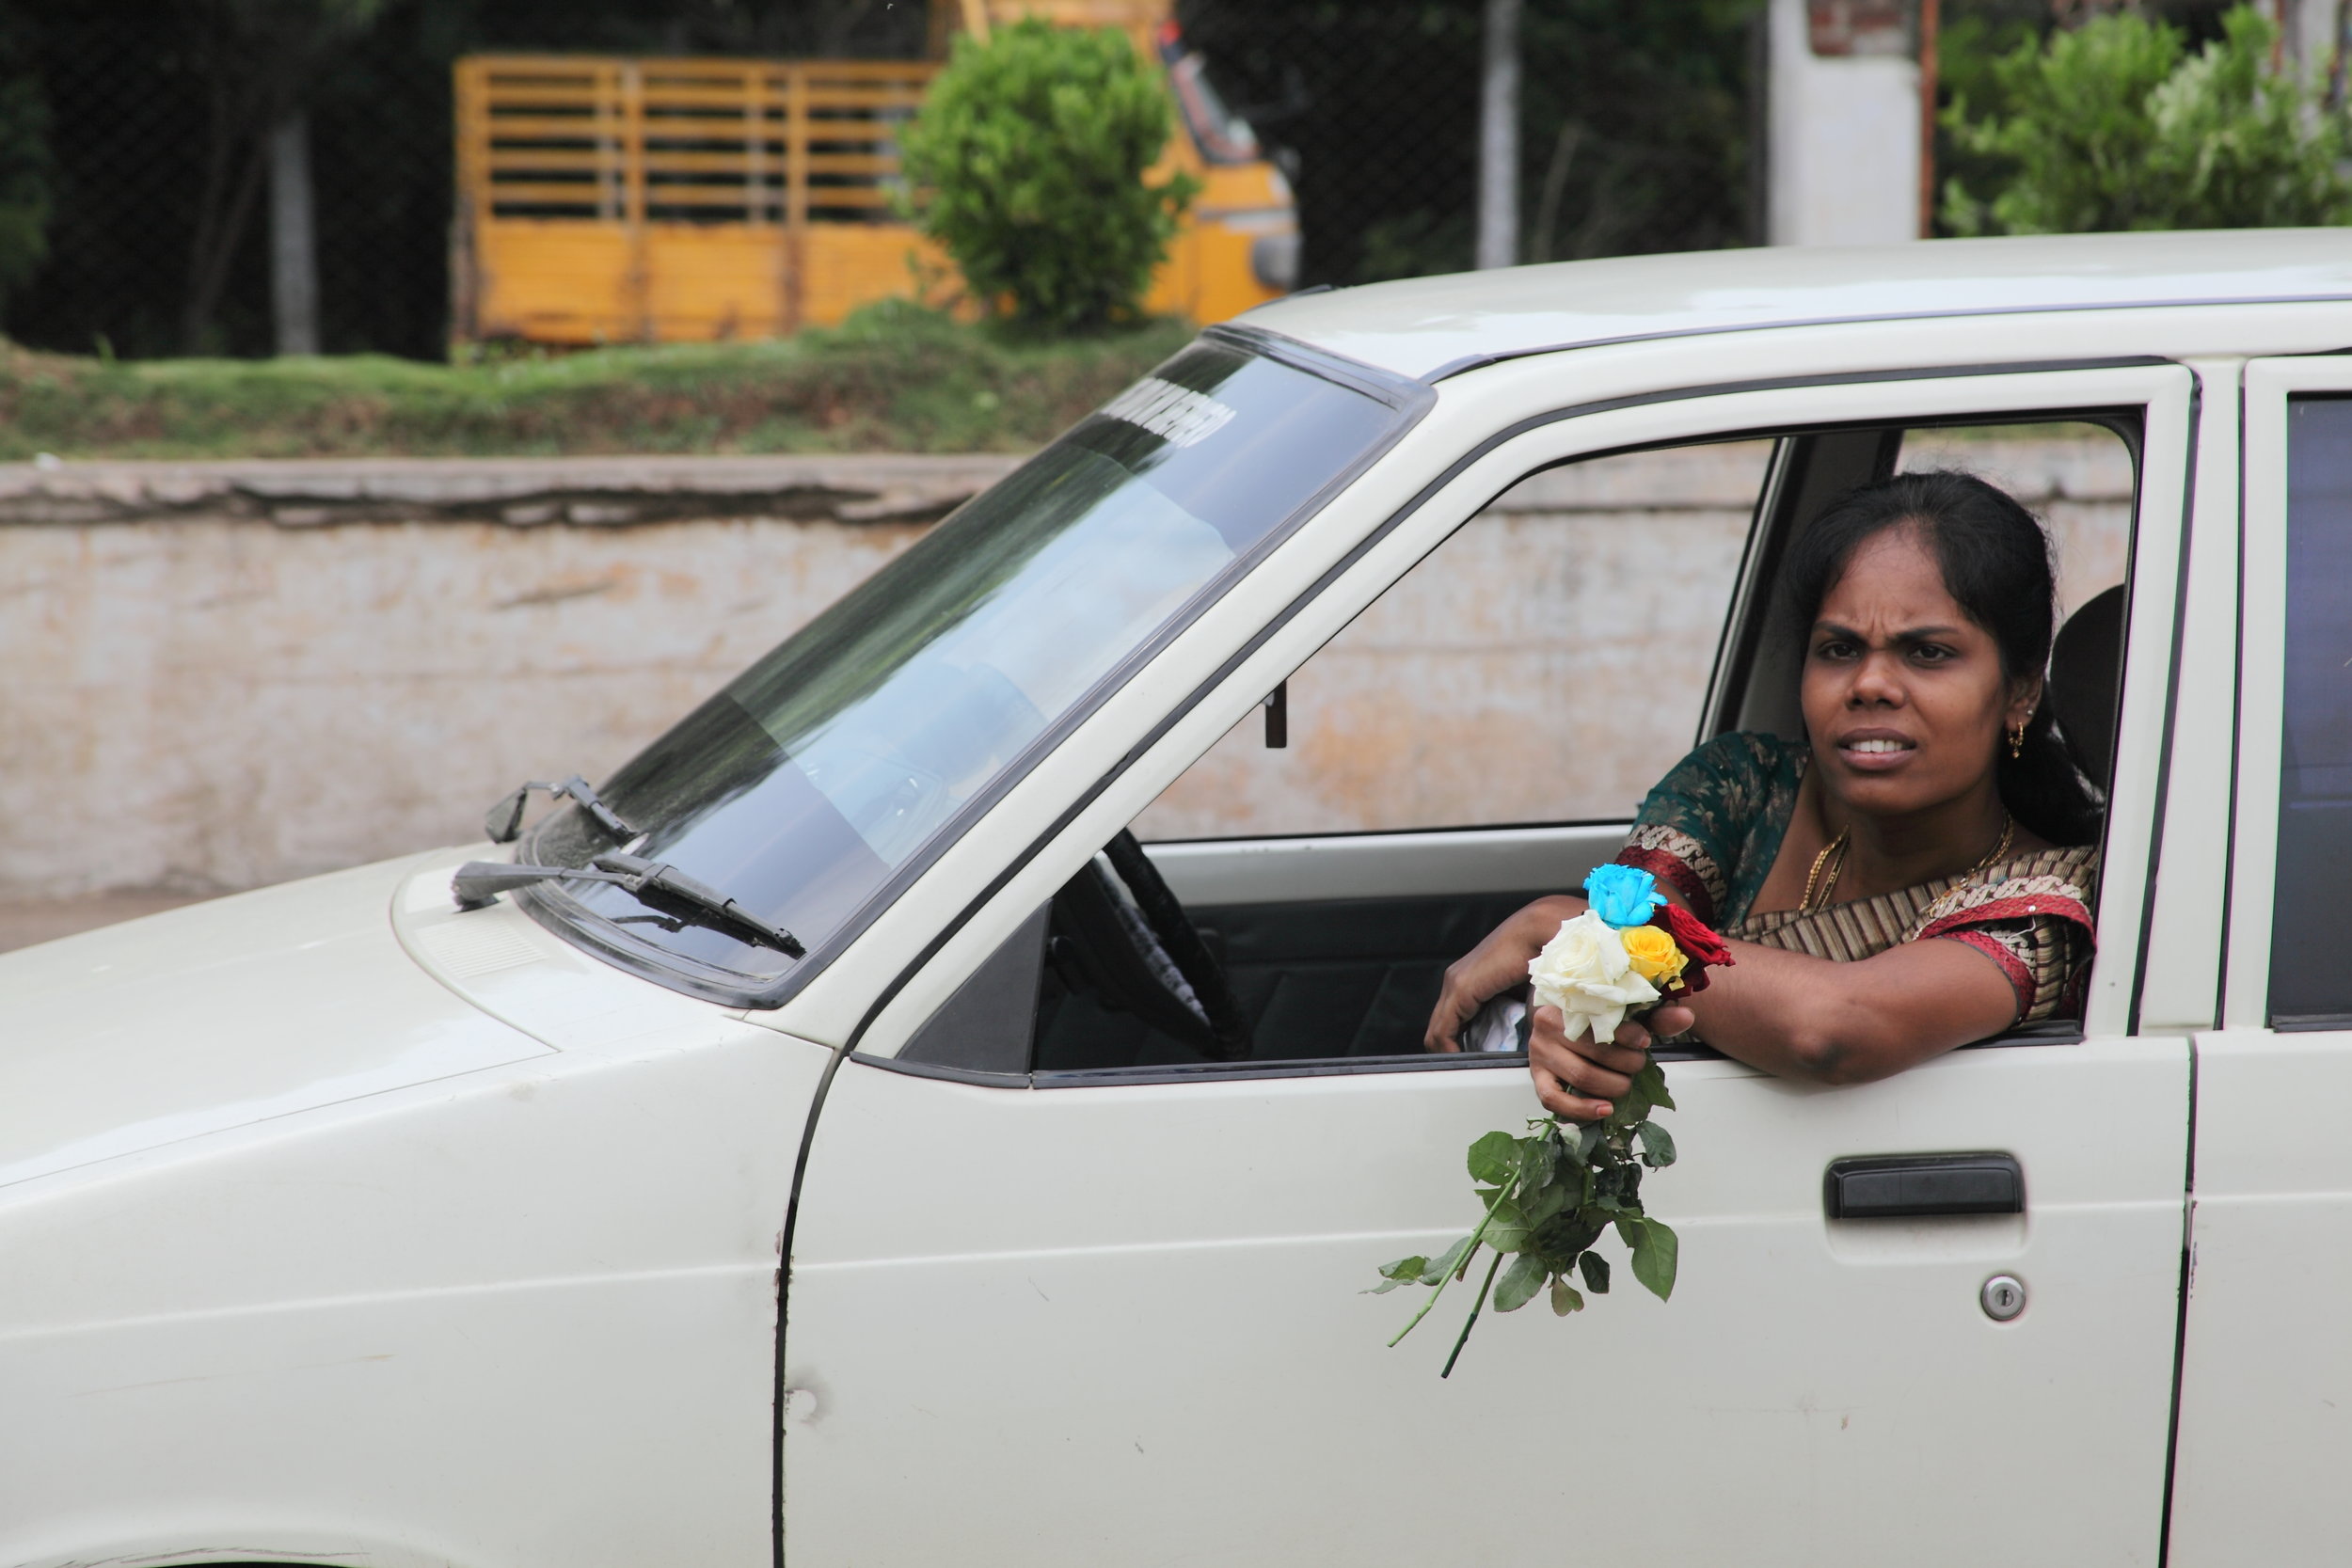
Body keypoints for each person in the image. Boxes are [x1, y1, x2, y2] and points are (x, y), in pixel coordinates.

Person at [1424, 470, 2103, 1121]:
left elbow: (1836, 1026)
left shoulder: (2050, 900)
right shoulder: (1743, 786)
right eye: (1839, 649)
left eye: (1926, 653)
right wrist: (1570, 1026)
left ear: (2019, 690)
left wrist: (1560, 923)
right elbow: (1622, 938)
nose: (1870, 684)